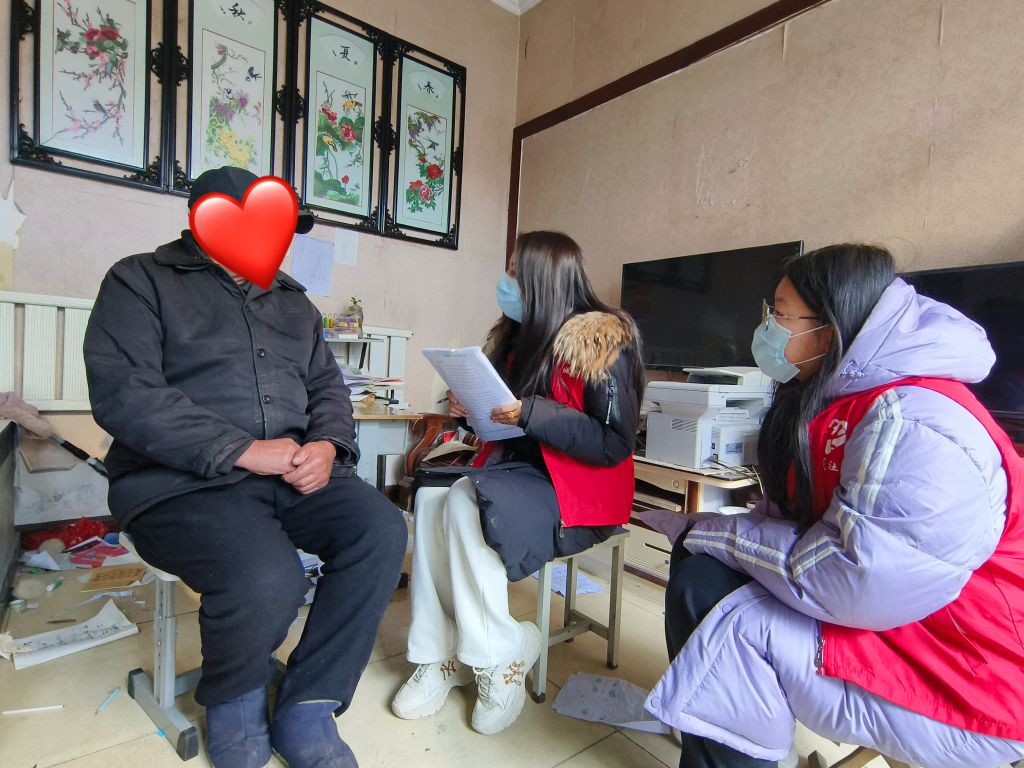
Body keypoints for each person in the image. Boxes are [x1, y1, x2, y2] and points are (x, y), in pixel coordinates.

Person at [646, 244, 1024, 768]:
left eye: (780, 314)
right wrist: (711, 536)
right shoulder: (838, 398)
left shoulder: (916, 424)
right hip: (900, 622)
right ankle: (707, 722)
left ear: (829, 326)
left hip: (967, 669)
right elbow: (794, 520)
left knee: (713, 599)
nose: (767, 329)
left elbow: (856, 578)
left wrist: (716, 532)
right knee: (699, 566)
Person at [84, 166, 407, 768]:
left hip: (291, 473)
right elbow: (127, 395)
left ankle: (310, 702)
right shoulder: (139, 280)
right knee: (267, 576)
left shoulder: (294, 304)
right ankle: (234, 698)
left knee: (381, 530)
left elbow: (328, 390)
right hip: (178, 483)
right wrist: (243, 449)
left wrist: (328, 446)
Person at [391, 231, 644, 735]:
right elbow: (503, 422)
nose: (505, 282)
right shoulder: (515, 338)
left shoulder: (601, 344)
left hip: (577, 489)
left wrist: (531, 412)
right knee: (433, 496)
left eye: (514, 272)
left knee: (465, 502)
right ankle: (441, 653)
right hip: (517, 472)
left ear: (542, 280)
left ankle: (498, 656)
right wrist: (469, 410)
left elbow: (613, 443)